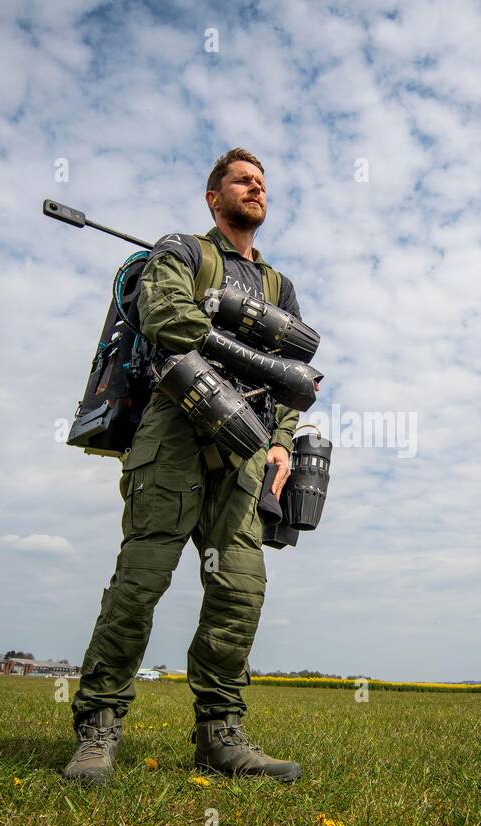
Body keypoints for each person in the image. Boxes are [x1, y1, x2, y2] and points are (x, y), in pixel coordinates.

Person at [62, 148, 306, 785]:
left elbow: (294, 382)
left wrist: (281, 441)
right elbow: (165, 316)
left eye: (262, 184)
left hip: (246, 448)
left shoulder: (280, 288)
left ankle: (220, 735)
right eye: (242, 181)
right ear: (213, 197)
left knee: (239, 592)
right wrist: (251, 352)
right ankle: (99, 728)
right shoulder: (182, 252)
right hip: (173, 433)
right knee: (139, 585)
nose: (255, 189)